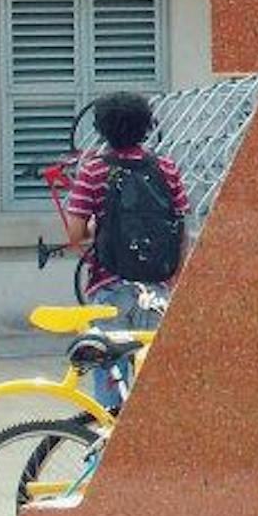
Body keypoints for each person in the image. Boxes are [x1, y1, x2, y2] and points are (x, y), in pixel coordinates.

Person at [65, 91, 187, 334]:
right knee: (150, 362)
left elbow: (75, 234)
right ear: (146, 126)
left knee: (108, 360)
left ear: (102, 129)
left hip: (109, 281)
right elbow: (181, 227)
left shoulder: (93, 171)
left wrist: (95, 228)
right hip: (156, 282)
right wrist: (175, 273)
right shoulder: (166, 168)